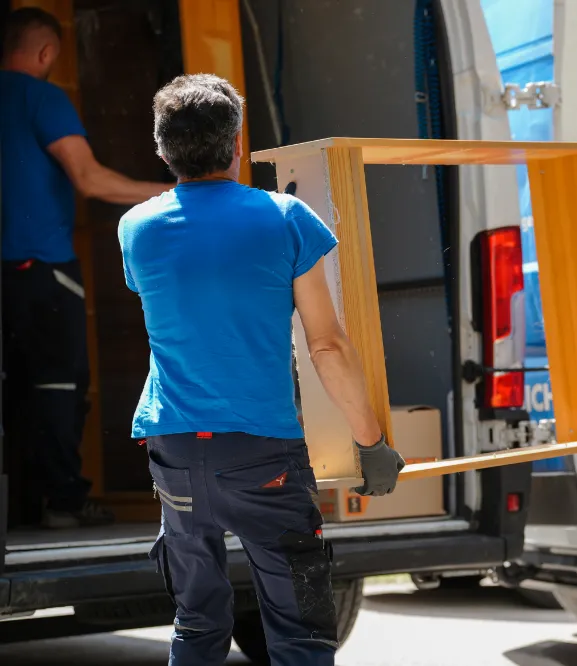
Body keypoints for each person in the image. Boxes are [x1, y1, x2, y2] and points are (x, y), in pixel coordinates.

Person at [118, 73, 404, 665]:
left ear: (162, 148)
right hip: (262, 454)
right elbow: (326, 344)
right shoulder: (284, 218)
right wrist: (370, 440)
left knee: (196, 626)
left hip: (173, 451)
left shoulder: (136, 228)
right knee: (300, 630)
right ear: (237, 144)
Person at [1, 7, 173, 529]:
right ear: (46, 52)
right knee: (57, 386)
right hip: (40, 267)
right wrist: (175, 192)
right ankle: (63, 502)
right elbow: (90, 180)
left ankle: (21, 507)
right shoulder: (41, 96)